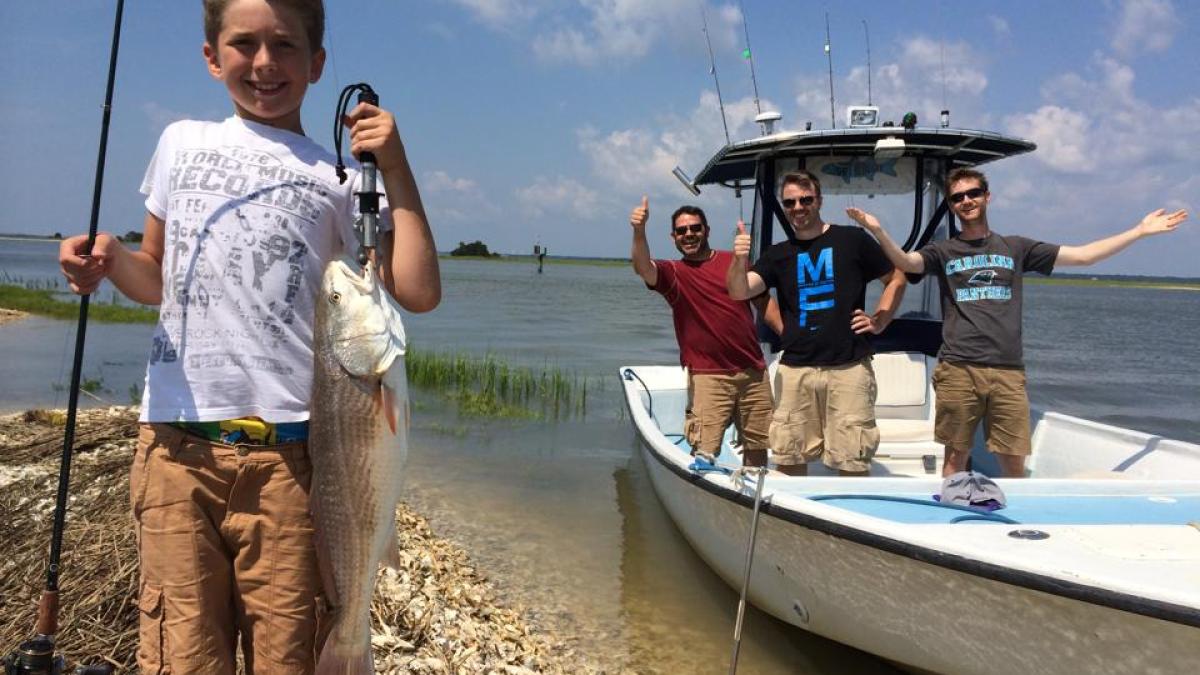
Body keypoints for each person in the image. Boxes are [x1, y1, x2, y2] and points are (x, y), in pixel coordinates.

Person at [57, 1, 440, 671]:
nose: (264, 63)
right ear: (212, 56)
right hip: (177, 452)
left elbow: (417, 289)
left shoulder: (337, 180)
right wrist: (111, 262)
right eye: (244, 44)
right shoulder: (181, 142)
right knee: (184, 653)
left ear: (317, 63)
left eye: (285, 46)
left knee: (286, 653)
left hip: (289, 466)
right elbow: (155, 275)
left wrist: (397, 166)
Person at [847, 167, 1187, 478]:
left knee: (1013, 460)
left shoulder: (1016, 247)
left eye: (973, 193)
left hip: (1008, 370)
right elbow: (905, 262)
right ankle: (951, 514)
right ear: (951, 205)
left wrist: (1139, 232)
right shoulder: (943, 251)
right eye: (958, 197)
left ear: (986, 196)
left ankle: (1016, 527)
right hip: (958, 368)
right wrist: (877, 230)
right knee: (955, 457)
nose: (967, 201)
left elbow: (1085, 255)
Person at [727, 170, 906, 476]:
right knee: (789, 458)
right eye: (790, 202)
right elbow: (739, 290)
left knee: (853, 459)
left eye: (805, 200)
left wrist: (881, 318)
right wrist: (738, 259)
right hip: (796, 369)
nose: (798, 207)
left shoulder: (852, 240)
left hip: (849, 368)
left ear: (819, 200)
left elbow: (897, 278)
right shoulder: (777, 255)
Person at [630, 196, 780, 468]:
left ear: (707, 231)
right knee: (704, 450)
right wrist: (639, 231)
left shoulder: (734, 261)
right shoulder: (673, 273)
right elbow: (643, 266)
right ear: (673, 237)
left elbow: (763, 301)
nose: (689, 234)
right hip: (708, 376)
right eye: (682, 231)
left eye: (695, 228)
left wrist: (787, 335)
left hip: (753, 371)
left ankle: (749, 500)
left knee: (758, 446)